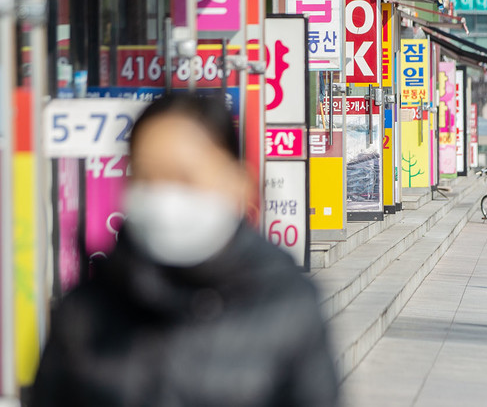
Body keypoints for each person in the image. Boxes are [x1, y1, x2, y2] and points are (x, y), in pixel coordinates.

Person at [32, 94, 338, 406]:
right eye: (147, 177)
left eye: (184, 178)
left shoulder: (287, 305)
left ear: (239, 182)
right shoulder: (87, 310)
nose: (165, 198)